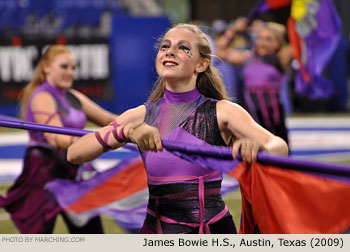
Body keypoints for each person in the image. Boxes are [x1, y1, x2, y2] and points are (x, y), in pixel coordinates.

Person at [67, 24, 288, 234]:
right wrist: (126, 132)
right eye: (165, 46)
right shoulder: (140, 116)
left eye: (183, 48)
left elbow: (279, 146)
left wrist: (257, 147)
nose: (170, 52)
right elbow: (75, 153)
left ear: (201, 65)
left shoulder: (223, 111)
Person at [0, 45, 117, 234]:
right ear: (46, 67)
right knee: (39, 241)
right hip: (43, 175)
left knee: (92, 236)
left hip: (72, 173)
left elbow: (112, 120)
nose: (70, 72)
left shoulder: (72, 96)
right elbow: (57, 138)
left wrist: (142, 123)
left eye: (73, 67)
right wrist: (100, 142)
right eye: (64, 66)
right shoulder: (41, 97)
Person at [215, 20, 293, 144]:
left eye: (269, 39)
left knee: (278, 153)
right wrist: (234, 30)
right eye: (260, 38)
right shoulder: (247, 57)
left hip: (273, 117)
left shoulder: (281, 58)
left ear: (278, 43)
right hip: (250, 115)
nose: (262, 42)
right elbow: (219, 51)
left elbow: (300, 44)